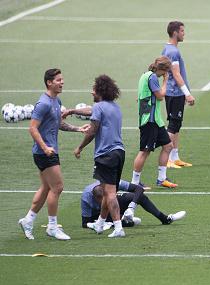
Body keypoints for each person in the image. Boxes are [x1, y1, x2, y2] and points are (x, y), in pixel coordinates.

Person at [18, 68, 89, 241]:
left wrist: (78, 129)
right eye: (58, 80)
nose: (62, 82)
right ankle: (52, 227)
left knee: (46, 188)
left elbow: (59, 124)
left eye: (62, 79)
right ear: (49, 82)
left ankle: (28, 220)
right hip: (45, 152)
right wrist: (44, 147)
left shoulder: (56, 101)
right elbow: (32, 128)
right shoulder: (43, 103)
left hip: (47, 151)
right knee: (57, 187)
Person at [74, 74, 126, 237]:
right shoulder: (115, 107)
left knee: (110, 193)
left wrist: (80, 147)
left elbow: (92, 131)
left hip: (105, 155)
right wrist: (72, 110)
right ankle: (100, 223)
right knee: (107, 190)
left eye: (94, 89)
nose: (92, 92)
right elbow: (91, 111)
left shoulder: (98, 107)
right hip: (119, 153)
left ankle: (118, 228)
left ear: (100, 90)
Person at [131, 56, 178, 189]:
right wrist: (165, 82)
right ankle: (134, 183)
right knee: (144, 151)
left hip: (156, 121)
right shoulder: (152, 77)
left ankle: (161, 179)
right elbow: (160, 96)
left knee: (168, 145)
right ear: (164, 70)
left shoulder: (145, 76)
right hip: (149, 121)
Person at [80, 179, 186, 230]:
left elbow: (139, 189)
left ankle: (165, 219)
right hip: (97, 215)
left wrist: (132, 206)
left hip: (114, 203)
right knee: (127, 223)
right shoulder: (86, 198)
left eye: (107, 199)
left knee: (140, 197)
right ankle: (123, 222)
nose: (105, 203)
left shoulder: (113, 183)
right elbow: (85, 222)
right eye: (102, 202)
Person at [162, 20, 195, 169]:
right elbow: (176, 74)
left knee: (176, 125)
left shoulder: (168, 49)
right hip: (175, 93)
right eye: (182, 31)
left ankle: (175, 157)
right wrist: (187, 94)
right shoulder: (173, 52)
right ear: (175, 32)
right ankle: (167, 158)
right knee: (173, 125)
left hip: (173, 93)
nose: (184, 34)